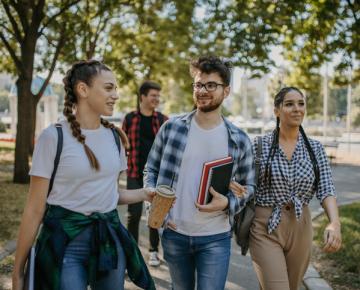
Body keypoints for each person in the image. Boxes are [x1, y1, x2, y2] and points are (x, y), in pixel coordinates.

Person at [12, 60, 155, 290]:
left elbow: (110, 194)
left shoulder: (114, 138)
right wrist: (18, 271)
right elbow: (34, 208)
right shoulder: (53, 138)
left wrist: (145, 194)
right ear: (83, 89)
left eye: (116, 89)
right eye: (109, 88)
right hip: (65, 242)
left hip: (109, 239)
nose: (116, 95)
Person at [144, 55, 255, 290]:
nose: (203, 90)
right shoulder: (171, 128)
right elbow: (151, 169)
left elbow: (250, 187)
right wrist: (155, 210)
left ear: (226, 91)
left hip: (215, 237)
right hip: (174, 233)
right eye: (198, 84)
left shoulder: (239, 139)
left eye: (211, 85)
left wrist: (228, 203)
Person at [247, 87, 341, 290]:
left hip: (301, 225)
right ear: (277, 111)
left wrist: (334, 223)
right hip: (265, 226)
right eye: (289, 104)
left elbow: (326, 187)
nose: (297, 109)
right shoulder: (260, 145)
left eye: (301, 103)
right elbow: (245, 184)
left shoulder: (315, 148)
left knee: (291, 287)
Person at [122, 81, 168, 267]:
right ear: (142, 97)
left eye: (158, 96)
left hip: (157, 175)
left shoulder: (164, 119)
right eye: (153, 95)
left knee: (155, 214)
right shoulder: (130, 118)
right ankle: (132, 251)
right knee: (133, 214)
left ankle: (153, 251)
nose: (156, 99)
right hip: (134, 172)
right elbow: (122, 146)